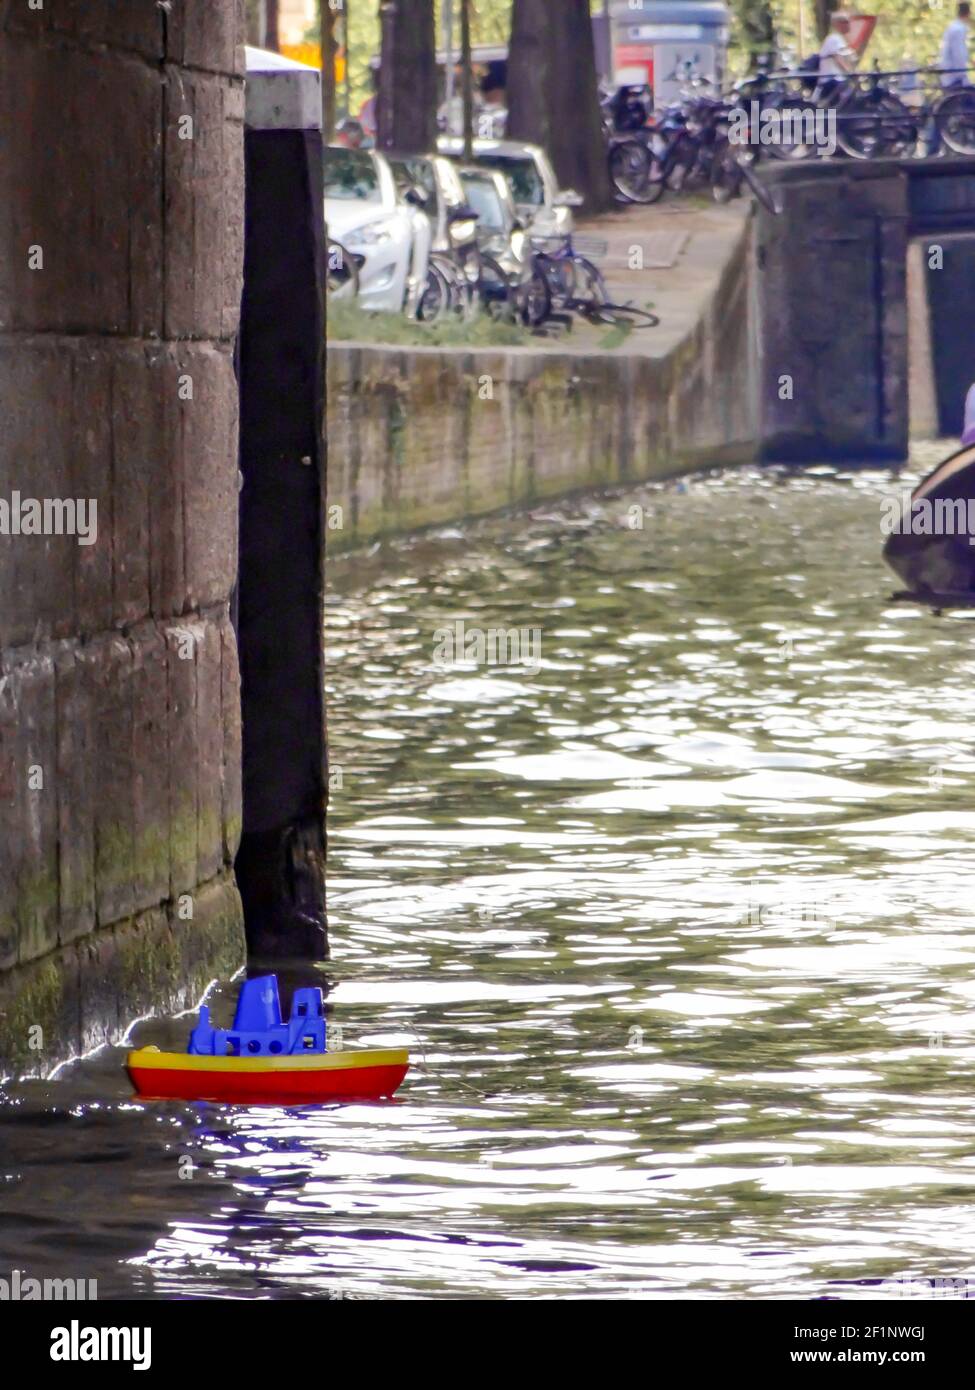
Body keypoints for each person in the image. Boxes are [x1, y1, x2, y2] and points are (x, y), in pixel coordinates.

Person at [939, 2, 971, 88]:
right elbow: (959, 55)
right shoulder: (958, 30)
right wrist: (963, 77)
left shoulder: (953, 27)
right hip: (955, 79)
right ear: (968, 13)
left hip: (949, 77)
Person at [818, 12, 856, 78]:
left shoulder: (840, 39)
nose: (849, 24)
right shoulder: (835, 38)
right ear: (837, 24)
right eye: (845, 21)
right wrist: (849, 73)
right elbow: (838, 58)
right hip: (833, 79)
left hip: (838, 79)